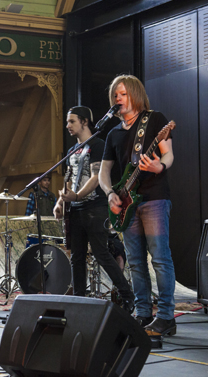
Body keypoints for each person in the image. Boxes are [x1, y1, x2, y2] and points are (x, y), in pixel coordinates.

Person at [98, 74, 176, 336]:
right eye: (115, 95)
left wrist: (159, 166)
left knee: (160, 258)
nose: (118, 98)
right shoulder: (113, 134)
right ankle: (143, 314)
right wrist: (110, 193)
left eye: (123, 93)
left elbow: (168, 154)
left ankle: (166, 317)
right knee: (135, 262)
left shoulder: (154, 120)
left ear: (135, 94)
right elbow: (103, 172)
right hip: (126, 203)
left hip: (154, 198)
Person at [53, 106, 134, 313]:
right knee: (77, 257)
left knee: (101, 253)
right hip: (76, 209)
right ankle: (79, 301)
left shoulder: (98, 145)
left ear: (85, 121)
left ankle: (127, 295)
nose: (68, 125)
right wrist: (60, 203)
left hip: (95, 207)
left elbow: (97, 176)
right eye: (67, 121)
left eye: (72, 121)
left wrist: (77, 196)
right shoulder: (72, 150)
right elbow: (69, 179)